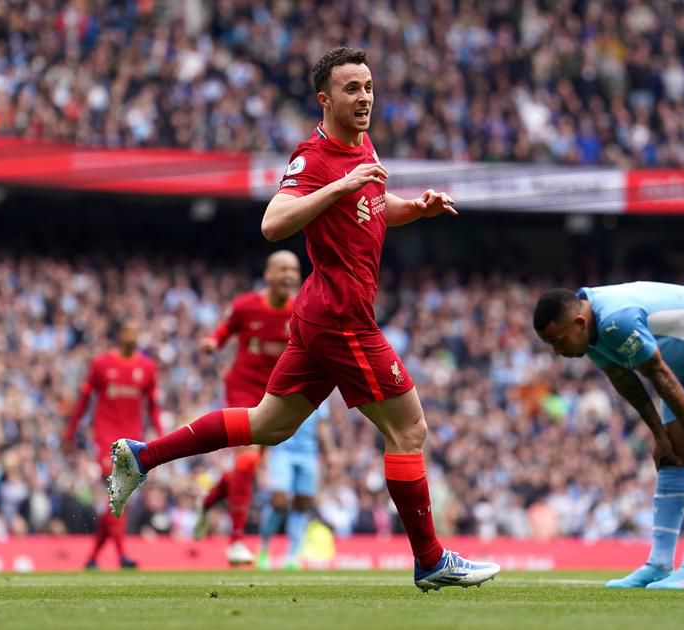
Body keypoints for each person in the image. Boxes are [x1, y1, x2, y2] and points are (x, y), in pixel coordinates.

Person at [107, 46, 499, 591]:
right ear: (324, 99)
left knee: (270, 424)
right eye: (351, 89)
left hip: (322, 313)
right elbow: (273, 223)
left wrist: (416, 208)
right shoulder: (313, 157)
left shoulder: (361, 143)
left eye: (368, 87)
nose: (364, 98)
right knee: (410, 429)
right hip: (341, 318)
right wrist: (338, 184)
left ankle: (142, 455)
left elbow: (371, 206)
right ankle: (430, 560)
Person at [533, 282, 684, 589]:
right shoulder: (590, 333)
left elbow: (657, 373)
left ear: (579, 322)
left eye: (558, 341)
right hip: (681, 360)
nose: (557, 352)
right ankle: (660, 564)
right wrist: (659, 434)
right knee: (672, 453)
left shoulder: (616, 319)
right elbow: (623, 379)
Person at [193, 250, 302, 566]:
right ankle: (236, 541)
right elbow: (224, 329)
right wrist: (213, 342)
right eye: (282, 268)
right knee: (248, 457)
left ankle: (208, 501)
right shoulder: (246, 305)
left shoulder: (300, 311)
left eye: (293, 269)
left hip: (275, 396)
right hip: (242, 389)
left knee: (247, 465)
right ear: (268, 275)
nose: (288, 274)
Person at [63, 318, 162, 569]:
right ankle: (121, 555)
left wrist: (161, 436)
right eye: (128, 331)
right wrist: (69, 433)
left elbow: (153, 406)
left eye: (136, 332)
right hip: (106, 437)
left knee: (118, 498)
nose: (132, 336)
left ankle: (93, 558)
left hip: (134, 439)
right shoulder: (101, 364)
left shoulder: (147, 367)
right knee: (118, 491)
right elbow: (84, 401)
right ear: (119, 335)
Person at [257, 400, 338, 570]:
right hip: (282, 451)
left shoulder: (320, 397)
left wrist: (330, 452)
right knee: (279, 501)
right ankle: (263, 547)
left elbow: (322, 425)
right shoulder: (284, 390)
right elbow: (269, 419)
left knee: (302, 503)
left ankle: (293, 555)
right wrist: (262, 457)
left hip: (308, 453)